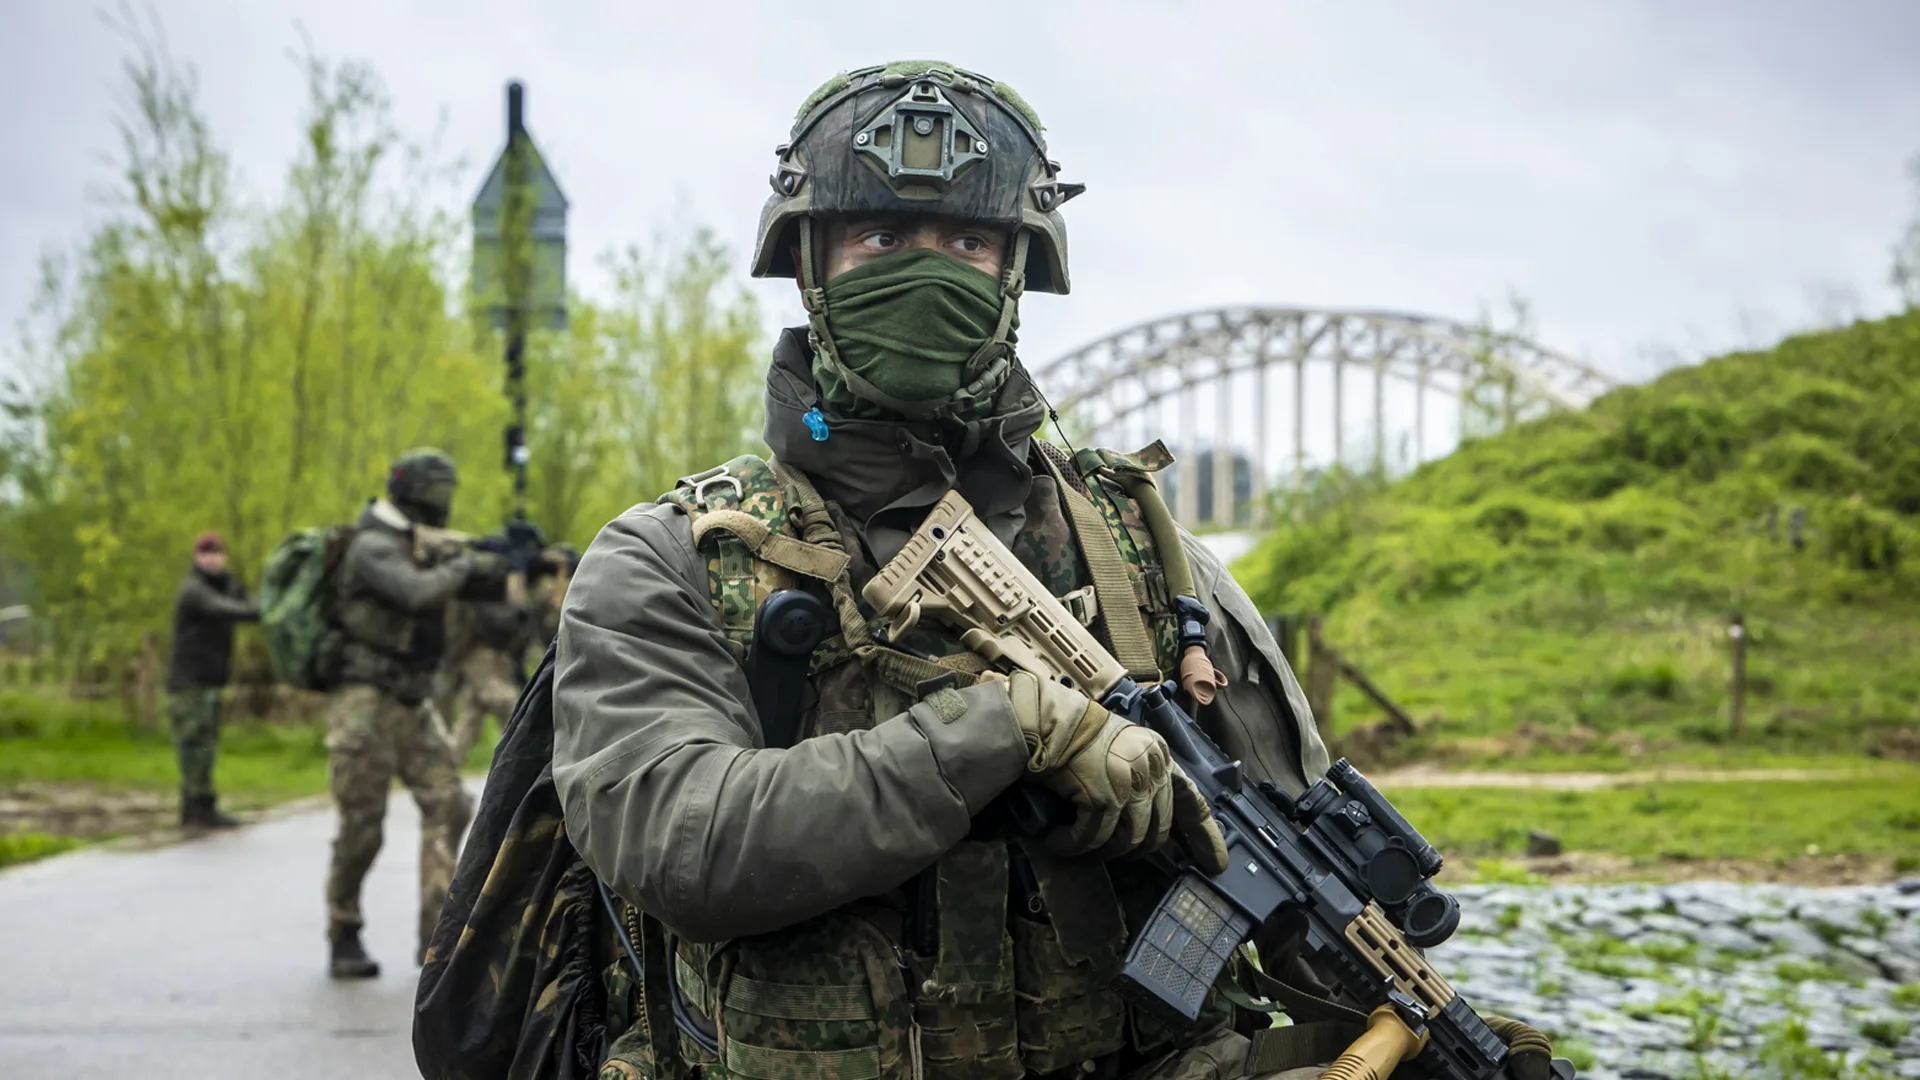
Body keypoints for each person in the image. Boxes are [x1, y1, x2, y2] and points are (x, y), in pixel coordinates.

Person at [551, 63, 1543, 1080]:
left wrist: (1419, 1036)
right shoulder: (677, 556)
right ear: (810, 264)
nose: (929, 274)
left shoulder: (1150, 558)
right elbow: (676, 841)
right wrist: (1004, 735)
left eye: (969, 243)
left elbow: (1293, 861)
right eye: (882, 239)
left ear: (1014, 273)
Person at [323, 449, 503, 980]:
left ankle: (435, 939)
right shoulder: (372, 547)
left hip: (413, 700)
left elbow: (474, 587)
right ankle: (344, 927)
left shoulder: (420, 545)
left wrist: (508, 563)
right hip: (364, 703)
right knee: (363, 825)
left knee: (449, 805)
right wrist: (464, 564)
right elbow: (418, 593)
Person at [165, 531, 258, 830]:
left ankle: (199, 806)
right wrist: (263, 610)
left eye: (217, 553)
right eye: (207, 553)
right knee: (194, 744)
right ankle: (197, 806)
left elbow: (248, 604)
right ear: (197, 557)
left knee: (207, 745)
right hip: (189, 680)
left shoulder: (228, 584)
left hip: (212, 678)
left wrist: (268, 605)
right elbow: (224, 610)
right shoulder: (193, 590)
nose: (213, 558)